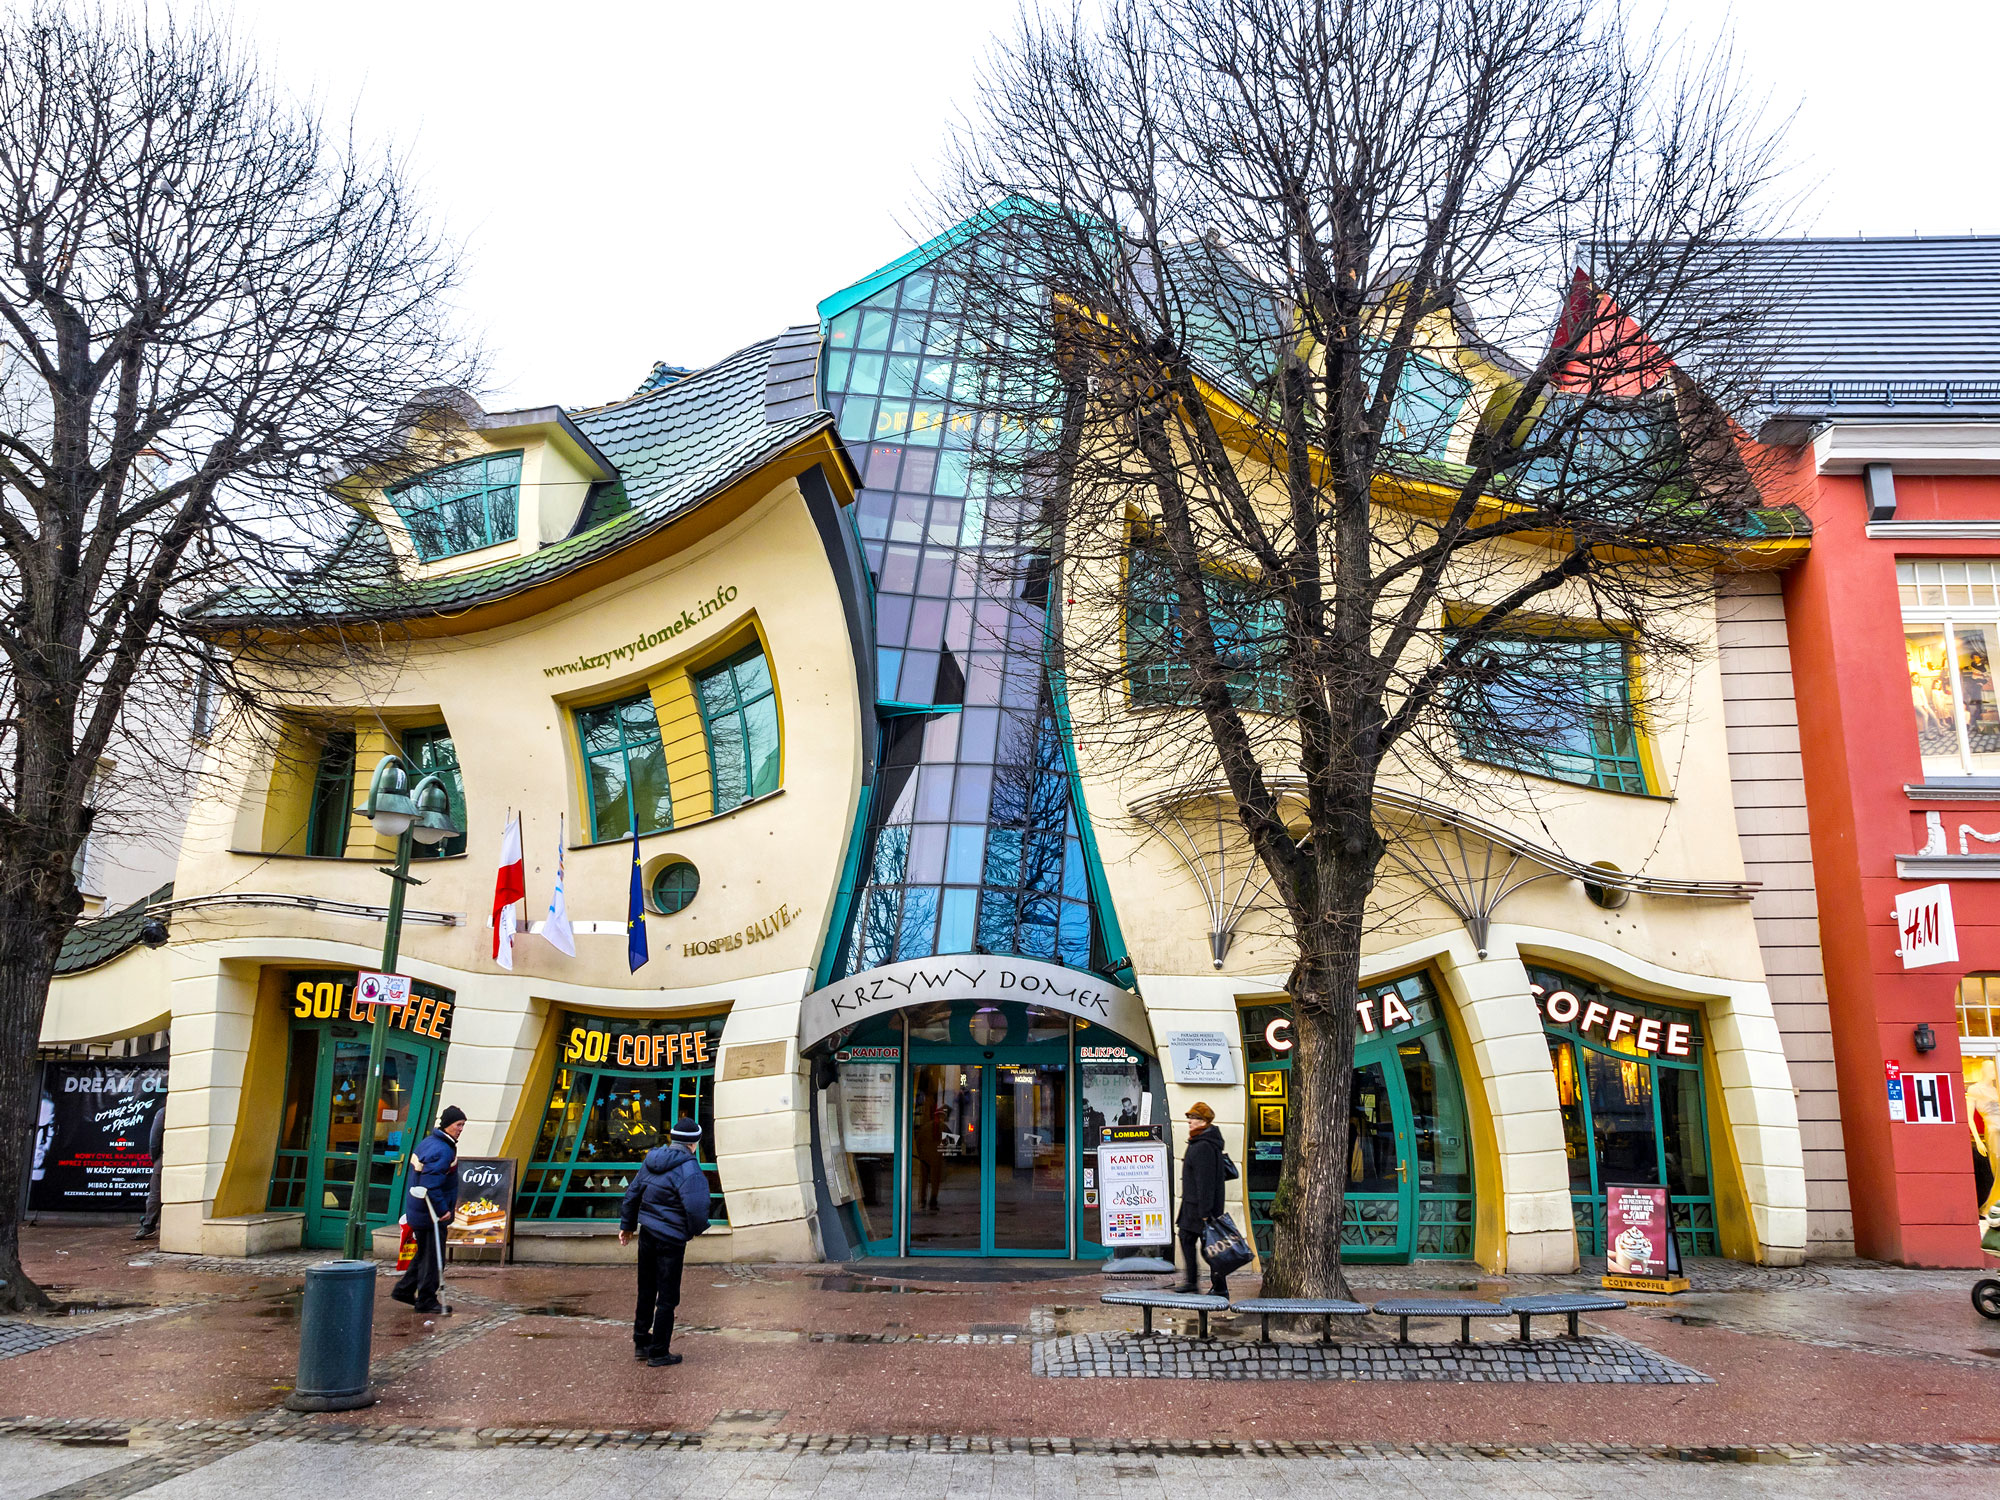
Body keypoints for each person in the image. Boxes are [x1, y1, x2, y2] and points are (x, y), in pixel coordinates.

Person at [619, 1115, 712, 1368]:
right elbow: (697, 1208)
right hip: (671, 1239)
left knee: (646, 1289)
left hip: (648, 1233)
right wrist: (692, 1231)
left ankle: (641, 1343)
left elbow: (632, 1194)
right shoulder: (690, 1169)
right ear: (694, 1143)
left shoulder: (651, 1160)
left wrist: (627, 1227)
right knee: (667, 1297)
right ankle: (659, 1352)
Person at [391, 1105, 464, 1315]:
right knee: (433, 1258)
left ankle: (404, 1290)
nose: (460, 1129)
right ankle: (426, 1300)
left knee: (425, 1254)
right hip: (430, 1214)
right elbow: (431, 1185)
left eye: (462, 1125)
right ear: (448, 1125)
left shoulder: (430, 1143)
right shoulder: (441, 1150)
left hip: (420, 1210)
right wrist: (443, 1210)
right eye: (458, 1125)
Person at [1174, 1101, 1229, 1296]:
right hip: (1194, 1205)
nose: (1190, 1121)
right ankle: (1195, 1282)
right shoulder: (1202, 1141)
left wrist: (1206, 1212)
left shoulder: (1204, 1145)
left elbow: (1205, 1182)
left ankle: (1217, 1286)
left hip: (1198, 1208)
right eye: (1189, 1117)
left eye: (1194, 1118)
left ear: (1204, 1121)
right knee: (1196, 1242)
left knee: (1209, 1247)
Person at [134, 1100, 166, 1240]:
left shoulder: (164, 1112)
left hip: (165, 1158)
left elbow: (154, 1139)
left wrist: (155, 1158)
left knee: (155, 1193)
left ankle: (148, 1225)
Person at [915, 1103, 946, 1211]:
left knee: (923, 1181)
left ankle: (922, 1201)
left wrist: (921, 1154)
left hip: (924, 1157)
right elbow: (948, 1142)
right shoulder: (943, 1127)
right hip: (936, 1158)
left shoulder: (925, 1127)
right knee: (935, 1181)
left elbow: (918, 1141)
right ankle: (933, 1201)